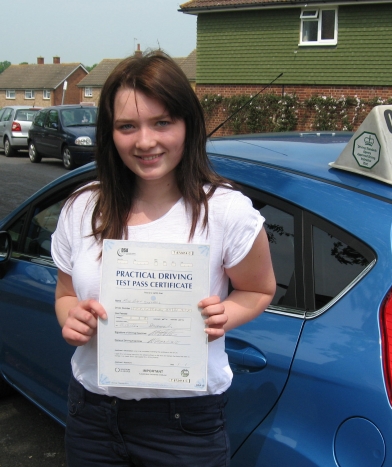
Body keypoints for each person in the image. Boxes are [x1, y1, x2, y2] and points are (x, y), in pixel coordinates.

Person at [51, 50, 276, 467]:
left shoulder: (227, 211)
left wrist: (226, 313)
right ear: (109, 132)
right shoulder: (82, 207)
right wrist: (71, 318)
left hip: (186, 425)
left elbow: (259, 289)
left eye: (162, 122)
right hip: (93, 416)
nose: (145, 141)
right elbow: (65, 294)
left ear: (187, 125)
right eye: (127, 126)